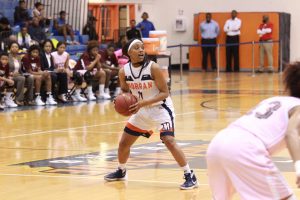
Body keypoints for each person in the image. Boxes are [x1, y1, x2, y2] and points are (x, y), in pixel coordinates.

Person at [104, 39, 198, 190]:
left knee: (169, 140)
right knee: (123, 144)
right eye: (136, 48)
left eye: (142, 47)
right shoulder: (123, 71)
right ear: (129, 53)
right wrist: (120, 100)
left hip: (161, 109)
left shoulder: (152, 67)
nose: (141, 50)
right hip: (140, 110)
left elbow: (165, 93)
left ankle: (190, 175)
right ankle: (121, 171)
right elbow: (125, 91)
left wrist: (142, 103)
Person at [206, 62, 300, 199]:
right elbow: (291, 133)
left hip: (218, 143)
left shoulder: (274, 100)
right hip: (246, 148)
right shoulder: (298, 106)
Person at [8, 41, 34, 106]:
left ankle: (29, 99)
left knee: (31, 77)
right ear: (10, 48)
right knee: (21, 78)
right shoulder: (7, 57)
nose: (14, 48)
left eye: (16, 47)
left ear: (18, 49)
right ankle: (18, 99)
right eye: (13, 47)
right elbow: (4, 69)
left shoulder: (19, 57)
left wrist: (25, 74)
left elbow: (21, 69)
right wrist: (11, 74)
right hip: (10, 76)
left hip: (19, 75)